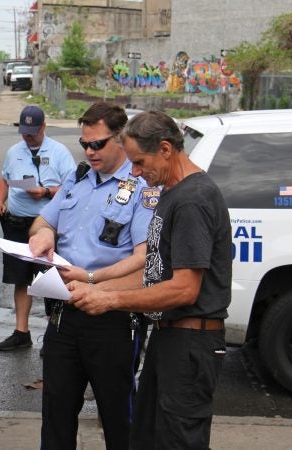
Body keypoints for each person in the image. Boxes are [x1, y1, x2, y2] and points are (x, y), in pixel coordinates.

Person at [67, 110, 232, 450]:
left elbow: (185, 288)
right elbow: (154, 273)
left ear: (166, 149)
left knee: (177, 441)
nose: (136, 173)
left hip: (190, 345)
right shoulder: (171, 192)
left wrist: (110, 300)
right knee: (146, 437)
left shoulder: (193, 200)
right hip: (168, 339)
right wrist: (93, 286)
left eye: (140, 163)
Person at [28, 102, 158, 450]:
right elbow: (42, 220)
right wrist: (44, 234)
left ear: (121, 139)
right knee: (56, 413)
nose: (88, 150)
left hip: (112, 317)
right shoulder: (78, 177)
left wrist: (92, 280)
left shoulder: (142, 187)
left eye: (97, 144)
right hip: (63, 315)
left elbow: (146, 261)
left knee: (119, 418)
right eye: (84, 143)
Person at [0, 105, 76, 352]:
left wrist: (47, 191)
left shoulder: (59, 152)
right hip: (17, 224)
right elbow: (5, 179)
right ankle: (21, 332)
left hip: (46, 227)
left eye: (32, 131)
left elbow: (73, 187)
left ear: (43, 127)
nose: (27, 136)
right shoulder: (14, 152)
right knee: (21, 279)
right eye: (24, 131)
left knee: (51, 280)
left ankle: (54, 335)